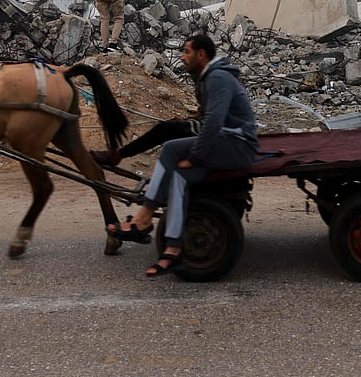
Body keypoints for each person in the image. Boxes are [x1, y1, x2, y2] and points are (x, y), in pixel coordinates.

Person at [108, 33, 259, 277]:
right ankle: (174, 247)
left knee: (171, 148)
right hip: (228, 142)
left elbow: (213, 123)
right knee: (178, 175)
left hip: (238, 144)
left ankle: (144, 218)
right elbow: (208, 118)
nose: (182, 57)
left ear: (202, 54)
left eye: (187, 52)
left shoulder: (217, 78)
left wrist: (196, 155)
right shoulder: (209, 78)